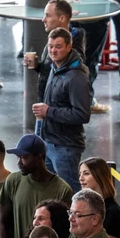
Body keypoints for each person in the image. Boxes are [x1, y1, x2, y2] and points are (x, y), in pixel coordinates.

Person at [0, 134, 75, 238]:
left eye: (24, 158)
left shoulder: (62, 190)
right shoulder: (13, 181)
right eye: (18, 158)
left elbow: (65, 233)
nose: (19, 162)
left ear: (40, 158)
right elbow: (2, 221)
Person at [34, 26, 93, 192]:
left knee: (70, 192)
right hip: (49, 142)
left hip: (65, 147)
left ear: (69, 47)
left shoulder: (76, 78)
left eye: (58, 46)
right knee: (50, 191)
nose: (53, 50)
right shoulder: (56, 68)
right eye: (51, 46)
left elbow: (82, 114)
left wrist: (48, 111)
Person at [78, 157, 120, 238]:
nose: (81, 178)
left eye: (86, 173)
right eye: (80, 174)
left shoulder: (113, 211)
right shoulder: (80, 205)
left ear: (100, 176)